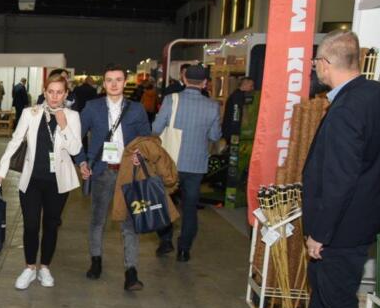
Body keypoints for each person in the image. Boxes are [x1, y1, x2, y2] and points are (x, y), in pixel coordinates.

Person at [260, 30, 380, 308]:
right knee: (324, 287)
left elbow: (340, 178)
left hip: (342, 225)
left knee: (339, 299)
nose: (315, 67)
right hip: (361, 215)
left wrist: (321, 234)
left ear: (326, 63)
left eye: (316, 61)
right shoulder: (373, 94)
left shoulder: (347, 108)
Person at [0, 75, 83, 290]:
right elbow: (16, 140)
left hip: (58, 183)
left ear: (66, 94)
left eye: (59, 92)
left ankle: (44, 267)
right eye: (50, 91)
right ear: (44, 92)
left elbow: (75, 149)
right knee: (31, 225)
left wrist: (64, 125)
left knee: (51, 225)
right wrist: (1, 168)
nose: (54, 96)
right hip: (32, 180)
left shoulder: (72, 116)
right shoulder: (30, 113)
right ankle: (29, 268)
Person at [75, 64, 152, 291]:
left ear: (125, 82)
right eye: (109, 80)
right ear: (104, 83)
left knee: (129, 223)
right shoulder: (92, 107)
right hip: (101, 171)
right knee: (97, 219)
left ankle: (131, 272)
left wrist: (141, 154)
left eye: (118, 79)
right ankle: (96, 260)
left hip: (128, 172)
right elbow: (76, 137)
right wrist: (82, 161)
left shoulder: (136, 109)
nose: (114, 84)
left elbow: (146, 139)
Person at [152, 64, 221, 261]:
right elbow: (215, 136)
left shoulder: (171, 100)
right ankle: (184, 249)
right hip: (196, 165)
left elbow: (156, 129)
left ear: (184, 79)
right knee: (190, 207)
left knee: (165, 202)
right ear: (205, 83)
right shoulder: (212, 106)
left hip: (170, 162)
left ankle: (165, 241)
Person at [221, 76, 255, 144]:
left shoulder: (238, 94)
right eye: (251, 85)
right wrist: (236, 133)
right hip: (232, 131)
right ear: (245, 84)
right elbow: (236, 116)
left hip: (230, 130)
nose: (252, 88)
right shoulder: (237, 96)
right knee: (233, 148)